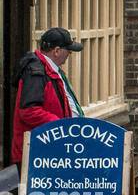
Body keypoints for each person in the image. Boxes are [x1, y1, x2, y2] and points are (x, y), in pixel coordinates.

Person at [9, 28, 83, 165]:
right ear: (56, 51)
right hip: (36, 154)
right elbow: (29, 111)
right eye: (68, 50)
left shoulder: (48, 69)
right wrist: (61, 126)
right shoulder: (36, 72)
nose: (70, 54)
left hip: (48, 150)